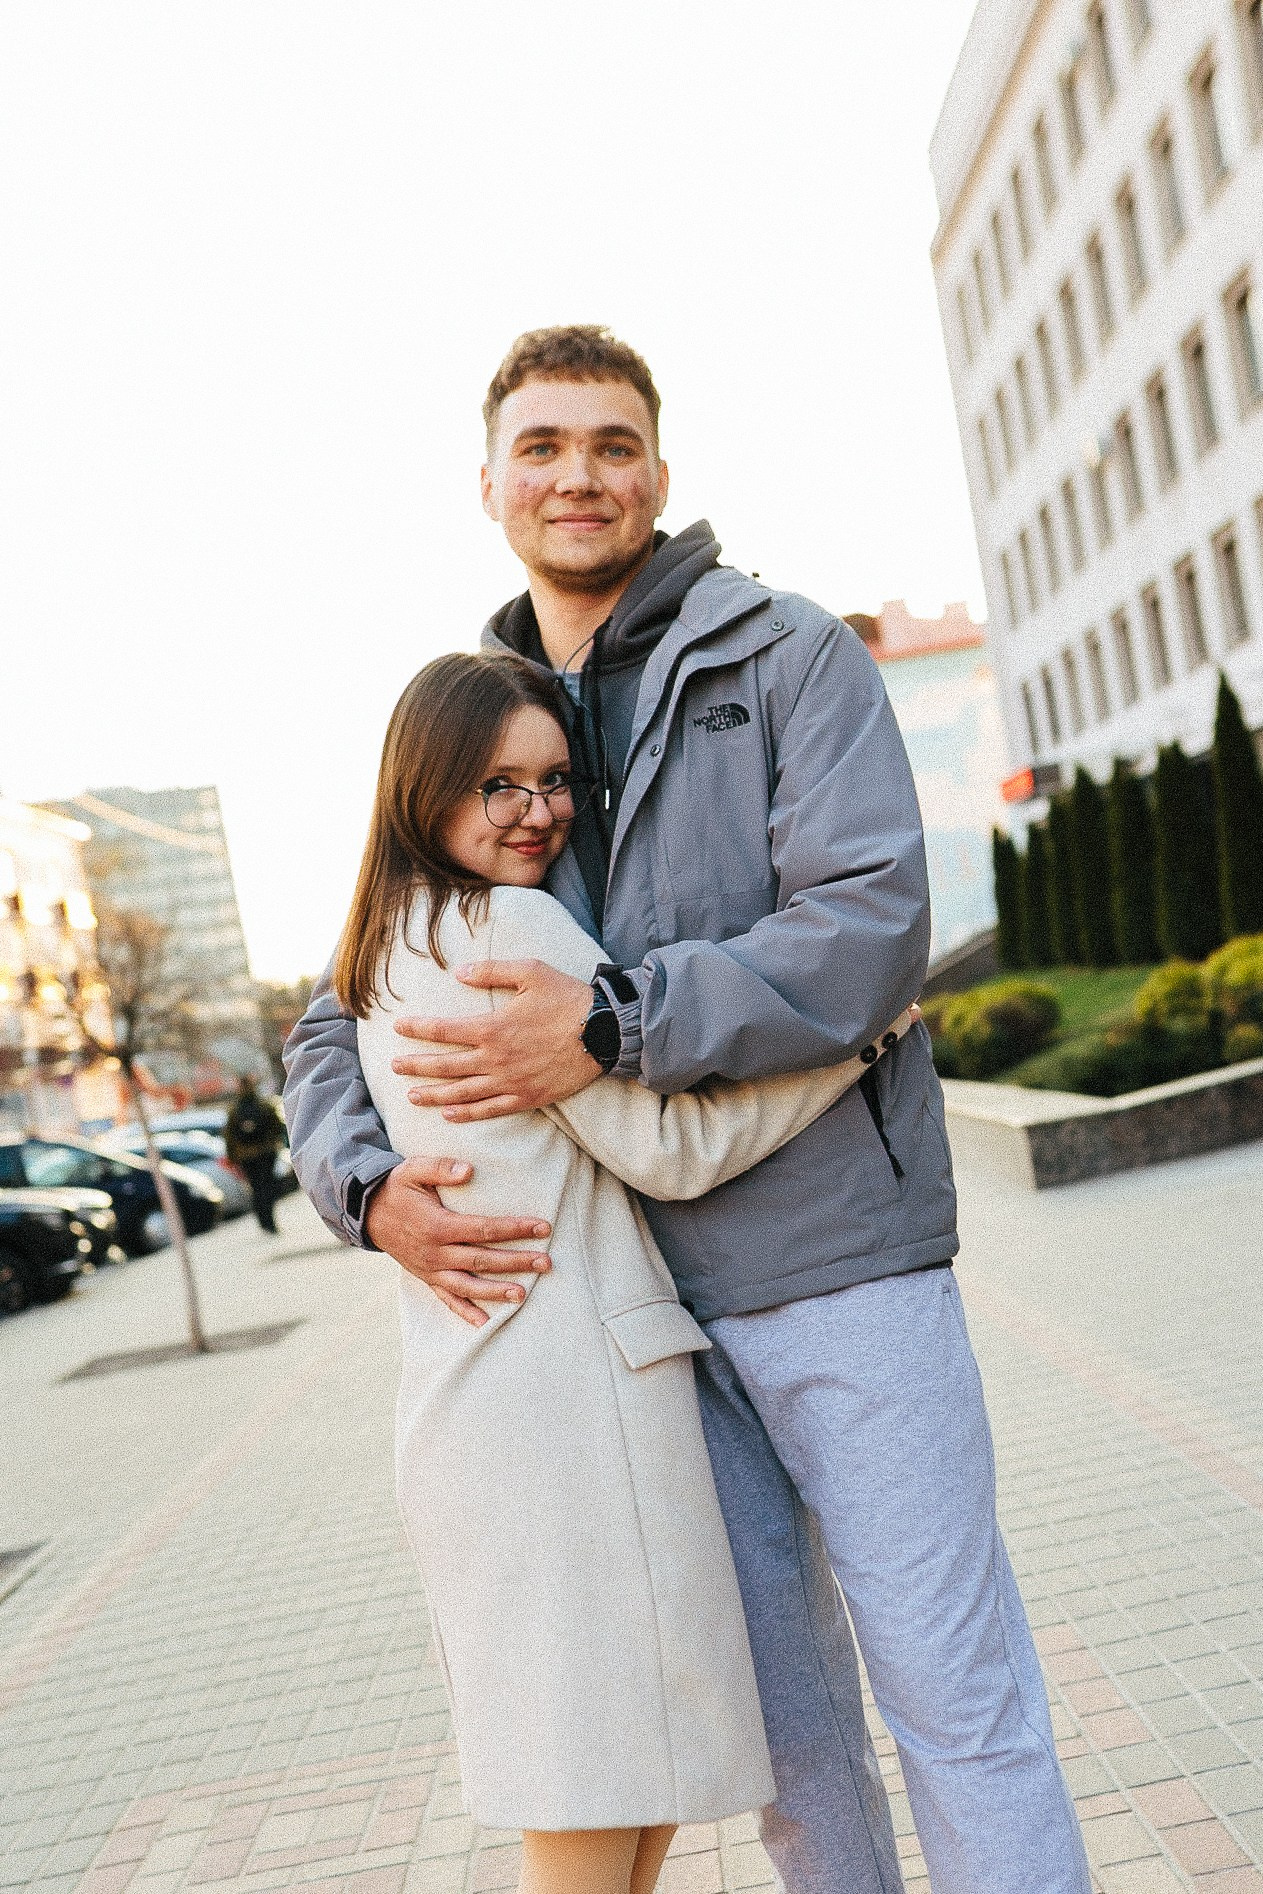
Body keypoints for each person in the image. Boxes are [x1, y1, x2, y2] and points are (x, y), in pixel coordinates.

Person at [284, 326, 1090, 1894]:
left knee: (953, 1697)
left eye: (609, 442)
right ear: (489, 482)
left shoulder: (784, 653)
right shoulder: (483, 718)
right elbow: (344, 995)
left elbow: (867, 920)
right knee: (788, 1756)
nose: (576, 473)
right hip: (641, 1337)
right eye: (541, 445)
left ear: (657, 470)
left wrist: (611, 1020)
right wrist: (365, 1185)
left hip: (841, 1268)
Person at [333, 649, 912, 1894]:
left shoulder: (388, 945)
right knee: (595, 1825)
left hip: (489, 1410)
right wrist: (854, 1038)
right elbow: (673, 1148)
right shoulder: (513, 927)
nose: (535, 811)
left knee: (621, 1814)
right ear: (423, 789)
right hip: (566, 1425)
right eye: (496, 784)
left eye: (552, 781)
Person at [224, 1076, 287, 1232]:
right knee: (267, 1187)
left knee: (257, 1189)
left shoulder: (234, 1110)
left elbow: (229, 1136)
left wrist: (232, 1157)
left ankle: (264, 1221)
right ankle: (269, 1221)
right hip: (265, 1153)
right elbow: (278, 1127)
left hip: (247, 1156)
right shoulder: (263, 1105)